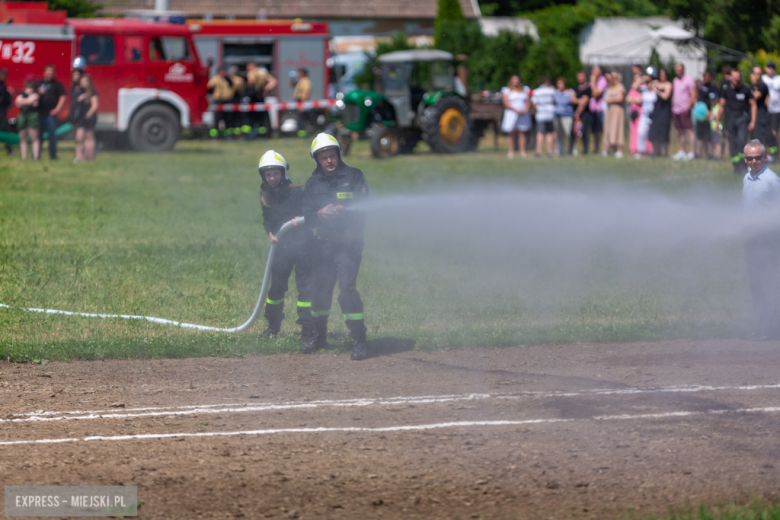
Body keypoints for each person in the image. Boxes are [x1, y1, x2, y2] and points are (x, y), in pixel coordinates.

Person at [300, 133, 369, 361]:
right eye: (324, 158)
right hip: (323, 245)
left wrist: (345, 209)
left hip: (348, 245)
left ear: (338, 155)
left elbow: (365, 206)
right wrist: (318, 214)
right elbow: (307, 216)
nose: (329, 161)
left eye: (332, 156)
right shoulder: (313, 183)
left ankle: (359, 340)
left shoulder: (354, 176)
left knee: (347, 291)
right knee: (320, 292)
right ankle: (319, 337)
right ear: (317, 160)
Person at [257, 150, 314, 342]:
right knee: (276, 288)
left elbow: (309, 213)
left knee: (305, 287)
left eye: (275, 173)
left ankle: (307, 327)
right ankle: (273, 325)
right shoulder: (265, 193)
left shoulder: (296, 192)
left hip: (303, 246)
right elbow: (267, 219)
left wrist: (300, 220)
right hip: (282, 248)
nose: (272, 178)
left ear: (283, 173)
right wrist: (270, 233)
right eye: (268, 174)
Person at [741, 139, 780, 340]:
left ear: (765, 157)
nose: (754, 161)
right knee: (756, 284)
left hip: (768, 242)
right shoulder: (747, 178)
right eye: (750, 158)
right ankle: (761, 327)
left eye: (758, 157)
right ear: (745, 159)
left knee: (768, 284)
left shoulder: (771, 181)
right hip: (751, 241)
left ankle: (770, 329)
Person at [718, 70, 756, 175]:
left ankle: (744, 166)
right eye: (734, 77)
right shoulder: (726, 91)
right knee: (732, 144)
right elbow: (721, 106)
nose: (736, 79)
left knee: (741, 141)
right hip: (730, 120)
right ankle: (736, 166)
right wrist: (718, 120)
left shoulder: (746, 90)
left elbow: (753, 105)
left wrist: (752, 121)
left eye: (738, 77)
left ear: (741, 78)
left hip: (742, 119)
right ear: (730, 77)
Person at [35, 64, 66, 160]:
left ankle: (53, 156)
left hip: (50, 115)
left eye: (52, 72)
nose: (50, 74)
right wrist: (37, 94)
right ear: (44, 73)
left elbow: (63, 97)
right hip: (39, 114)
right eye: (48, 72)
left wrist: (57, 109)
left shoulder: (57, 85)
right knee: (38, 136)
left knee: (52, 135)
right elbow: (32, 96)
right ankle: (36, 155)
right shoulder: (38, 84)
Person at [501, 74, 531, 159]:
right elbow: (506, 102)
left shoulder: (525, 89)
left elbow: (528, 101)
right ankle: (511, 152)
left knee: (522, 132)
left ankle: (522, 151)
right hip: (511, 114)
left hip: (523, 113)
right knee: (512, 133)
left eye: (517, 79)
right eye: (513, 79)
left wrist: (525, 109)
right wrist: (515, 110)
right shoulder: (506, 90)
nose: (515, 81)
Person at [671, 63, 697, 160]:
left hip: (684, 109)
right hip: (676, 109)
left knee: (689, 131)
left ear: (683, 69)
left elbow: (693, 94)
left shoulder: (688, 80)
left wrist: (688, 106)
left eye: (679, 69)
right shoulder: (675, 80)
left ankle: (691, 152)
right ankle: (682, 151)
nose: (678, 71)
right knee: (680, 131)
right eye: (676, 69)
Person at [648, 67, 673, 157]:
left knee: (664, 132)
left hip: (665, 110)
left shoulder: (668, 84)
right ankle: (657, 151)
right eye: (661, 75)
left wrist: (657, 90)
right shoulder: (657, 83)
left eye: (664, 75)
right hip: (657, 109)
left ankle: (666, 153)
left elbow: (665, 96)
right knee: (655, 130)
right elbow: (649, 87)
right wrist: (652, 82)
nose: (662, 76)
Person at [73, 74, 98, 162]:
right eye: (82, 81)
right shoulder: (79, 92)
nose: (84, 83)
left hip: (88, 117)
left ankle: (90, 157)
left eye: (86, 81)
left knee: (89, 137)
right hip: (80, 117)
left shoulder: (92, 92)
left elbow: (95, 105)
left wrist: (88, 115)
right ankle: (79, 157)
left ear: (89, 82)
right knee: (79, 137)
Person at [14, 76, 40, 161]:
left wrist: (23, 101)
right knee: (23, 137)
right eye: (28, 81)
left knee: (34, 137)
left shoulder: (36, 93)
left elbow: (33, 101)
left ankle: (35, 157)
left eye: (31, 81)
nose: (29, 83)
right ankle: (24, 158)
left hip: (33, 116)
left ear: (33, 82)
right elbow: (17, 102)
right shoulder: (22, 92)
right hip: (22, 115)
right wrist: (29, 101)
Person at [695, 70, 719, 159]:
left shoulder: (714, 88)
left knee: (709, 136)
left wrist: (710, 114)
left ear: (711, 77)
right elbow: (698, 99)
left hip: (710, 115)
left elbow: (716, 101)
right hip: (701, 115)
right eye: (704, 77)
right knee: (700, 135)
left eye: (707, 76)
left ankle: (709, 153)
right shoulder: (701, 87)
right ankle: (698, 153)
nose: (705, 78)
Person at [602, 71, 625, 157]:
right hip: (609, 110)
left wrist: (610, 99)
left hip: (617, 110)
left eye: (615, 77)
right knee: (608, 129)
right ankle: (608, 149)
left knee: (617, 128)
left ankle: (619, 149)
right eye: (612, 78)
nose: (613, 79)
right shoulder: (610, 87)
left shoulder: (620, 87)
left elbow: (620, 98)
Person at [532, 75, 556, 157]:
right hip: (550, 113)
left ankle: (539, 151)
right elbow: (555, 102)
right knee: (549, 132)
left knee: (540, 133)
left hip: (540, 114)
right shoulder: (552, 90)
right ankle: (549, 151)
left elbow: (534, 104)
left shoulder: (537, 91)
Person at [750, 66, 773, 153]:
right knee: (754, 136)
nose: (756, 75)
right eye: (754, 73)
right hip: (752, 113)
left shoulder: (763, 86)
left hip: (761, 113)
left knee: (762, 135)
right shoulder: (752, 85)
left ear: (761, 75)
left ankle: (766, 155)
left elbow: (754, 97)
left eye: (758, 74)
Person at [207, 66, 234, 137]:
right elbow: (209, 86)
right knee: (217, 118)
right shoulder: (216, 79)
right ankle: (214, 135)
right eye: (222, 72)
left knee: (226, 118)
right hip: (218, 101)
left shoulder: (226, 80)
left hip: (226, 101)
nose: (224, 73)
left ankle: (226, 135)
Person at [588, 65, 608, 154]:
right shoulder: (593, 81)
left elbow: (596, 94)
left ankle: (605, 148)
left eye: (594, 69)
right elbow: (590, 93)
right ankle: (596, 149)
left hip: (600, 109)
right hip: (592, 109)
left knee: (602, 130)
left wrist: (593, 82)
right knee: (595, 131)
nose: (592, 71)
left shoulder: (602, 80)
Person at [570, 70, 591, 156]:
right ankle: (570, 150)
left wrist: (577, 113)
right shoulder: (575, 87)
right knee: (572, 132)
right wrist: (579, 100)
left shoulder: (588, 88)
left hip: (584, 113)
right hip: (576, 113)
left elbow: (585, 102)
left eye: (582, 76)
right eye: (579, 76)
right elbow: (572, 99)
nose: (580, 78)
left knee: (584, 131)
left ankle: (585, 151)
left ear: (585, 77)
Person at [762, 61, 780, 159]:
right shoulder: (763, 79)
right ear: (766, 68)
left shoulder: (778, 79)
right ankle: (769, 155)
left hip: (776, 110)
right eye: (769, 67)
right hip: (764, 110)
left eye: (773, 67)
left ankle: (776, 152)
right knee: (766, 133)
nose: (771, 69)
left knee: (773, 132)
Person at [554, 77, 574, 155]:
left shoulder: (570, 92)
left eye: (561, 83)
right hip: (558, 116)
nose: (559, 85)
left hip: (567, 116)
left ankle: (572, 150)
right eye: (558, 83)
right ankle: (560, 150)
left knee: (569, 133)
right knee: (559, 135)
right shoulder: (557, 93)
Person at [626, 68, 644, 156]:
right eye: (635, 78)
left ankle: (640, 149)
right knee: (633, 131)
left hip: (640, 113)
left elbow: (640, 100)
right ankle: (634, 148)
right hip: (632, 112)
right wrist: (634, 99)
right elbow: (627, 99)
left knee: (639, 131)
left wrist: (632, 99)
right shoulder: (632, 89)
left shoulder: (642, 88)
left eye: (638, 78)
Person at [293, 68, 312, 133]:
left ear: (303, 73)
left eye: (299, 72)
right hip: (299, 101)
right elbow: (292, 84)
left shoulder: (306, 81)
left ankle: (303, 133)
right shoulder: (300, 81)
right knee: (299, 117)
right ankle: (301, 132)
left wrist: (302, 104)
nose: (298, 74)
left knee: (302, 118)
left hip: (302, 101)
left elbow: (306, 93)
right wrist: (293, 78)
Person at [0, 68, 13, 156]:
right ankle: (9, 150)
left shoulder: (4, 87)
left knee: (6, 131)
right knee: (6, 130)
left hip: (2, 113)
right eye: (2, 75)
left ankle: (9, 150)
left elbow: (7, 101)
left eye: (5, 75)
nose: (4, 77)